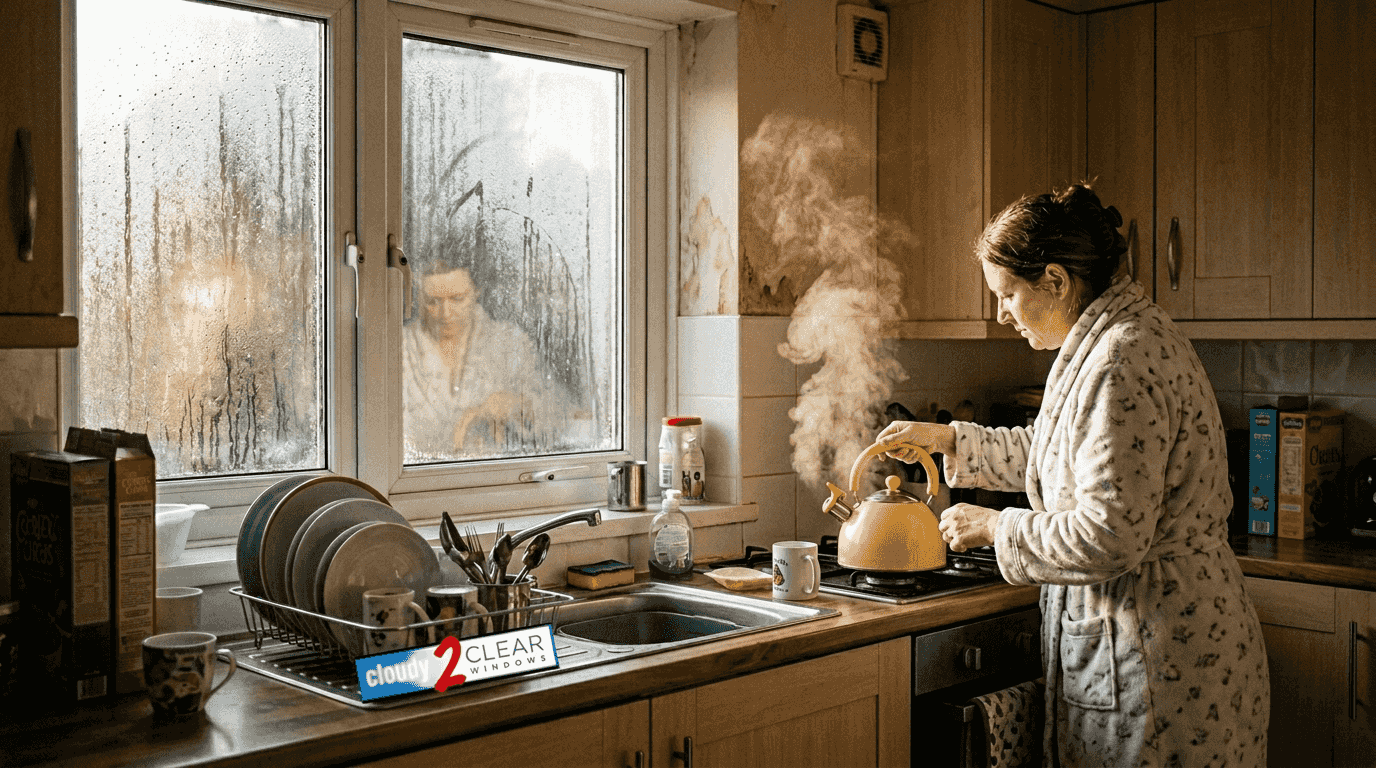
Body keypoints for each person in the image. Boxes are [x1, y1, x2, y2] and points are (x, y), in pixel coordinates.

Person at [878, 185, 1269, 767]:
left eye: (1008, 294)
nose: (1001, 312)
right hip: (1167, 644)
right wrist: (953, 440)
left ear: (1056, 281)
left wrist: (996, 528)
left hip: (1159, 664)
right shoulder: (1112, 340)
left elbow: (1108, 534)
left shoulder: (1119, 361)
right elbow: (1060, 450)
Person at [403, 266, 582, 459]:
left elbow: (565, 413)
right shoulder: (398, 346)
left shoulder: (509, 342)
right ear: (420, 298)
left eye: (457, 299)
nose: (445, 313)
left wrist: (518, 402)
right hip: (416, 480)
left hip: (493, 477)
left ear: (477, 291)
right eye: (433, 302)